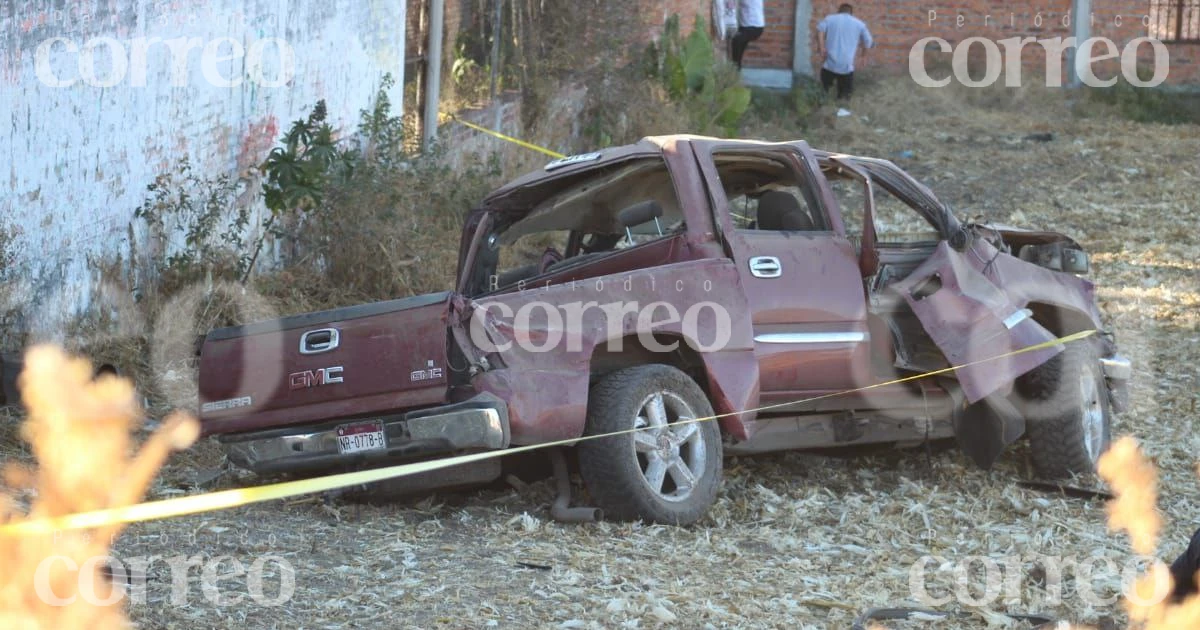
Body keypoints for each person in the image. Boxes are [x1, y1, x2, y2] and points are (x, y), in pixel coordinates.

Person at [816, 3, 873, 115]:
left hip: (829, 63)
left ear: (839, 11)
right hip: (846, 66)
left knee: (824, 91)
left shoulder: (830, 19)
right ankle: (841, 114)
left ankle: (823, 111)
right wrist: (864, 56)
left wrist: (821, 46)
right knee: (844, 96)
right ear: (851, 13)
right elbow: (868, 41)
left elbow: (820, 30)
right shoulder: (859, 24)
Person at [729, 0, 765, 69]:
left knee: (736, 40)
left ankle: (735, 69)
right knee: (739, 46)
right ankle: (735, 69)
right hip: (745, 25)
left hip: (755, 27)